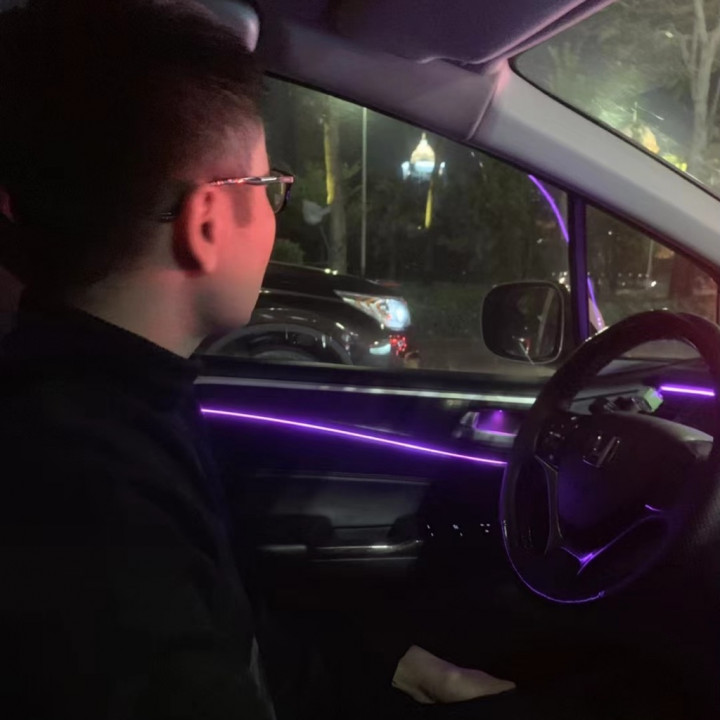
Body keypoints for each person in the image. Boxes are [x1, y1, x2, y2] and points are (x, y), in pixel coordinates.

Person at [0, 1, 514, 718]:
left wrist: (395, 668)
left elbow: (230, 634)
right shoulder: (82, 485)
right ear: (208, 223)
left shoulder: (108, 402)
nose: (277, 208)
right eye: (270, 187)